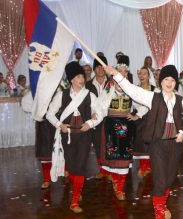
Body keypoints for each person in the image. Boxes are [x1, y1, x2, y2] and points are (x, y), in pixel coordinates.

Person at [105, 64, 183, 219]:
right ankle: (159, 212)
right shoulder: (152, 97)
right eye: (166, 79)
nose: (169, 82)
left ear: (176, 83)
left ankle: (162, 204)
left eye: (172, 80)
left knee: (169, 179)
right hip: (157, 145)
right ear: (161, 81)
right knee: (160, 181)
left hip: (175, 144)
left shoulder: (182, 101)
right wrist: (116, 75)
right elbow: (133, 90)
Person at [46, 61, 102, 213]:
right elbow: (49, 113)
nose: (81, 79)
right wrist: (60, 125)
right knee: (71, 167)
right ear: (71, 79)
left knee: (80, 167)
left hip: (84, 137)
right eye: (77, 76)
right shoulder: (61, 95)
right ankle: (77, 189)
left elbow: (101, 112)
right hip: (67, 137)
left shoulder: (89, 95)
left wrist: (90, 123)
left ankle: (75, 201)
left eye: (82, 76)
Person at [95, 63, 148, 201]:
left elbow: (144, 104)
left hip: (126, 127)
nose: (123, 74)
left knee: (124, 159)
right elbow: (100, 106)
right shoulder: (108, 88)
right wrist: (96, 115)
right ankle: (116, 181)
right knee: (113, 157)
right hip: (110, 127)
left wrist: (137, 115)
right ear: (114, 72)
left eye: (125, 72)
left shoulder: (131, 89)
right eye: (120, 71)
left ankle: (120, 188)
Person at [85, 56, 110, 178]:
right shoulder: (87, 85)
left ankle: (110, 170)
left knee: (110, 145)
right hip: (95, 120)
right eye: (98, 66)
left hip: (110, 119)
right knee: (98, 144)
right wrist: (90, 113)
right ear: (94, 69)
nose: (100, 69)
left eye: (102, 66)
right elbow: (85, 102)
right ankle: (102, 169)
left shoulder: (112, 83)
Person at [133, 67, 158, 178]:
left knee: (150, 142)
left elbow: (155, 104)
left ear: (149, 76)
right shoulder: (135, 88)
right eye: (140, 74)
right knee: (140, 142)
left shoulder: (155, 90)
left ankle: (147, 166)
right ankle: (144, 166)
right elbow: (133, 104)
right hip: (139, 118)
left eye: (144, 74)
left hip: (151, 119)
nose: (142, 76)